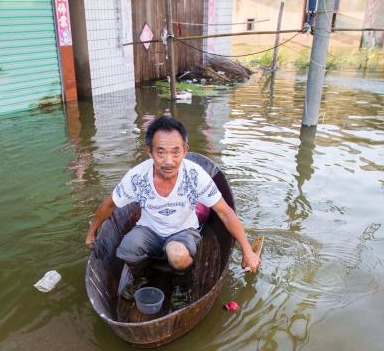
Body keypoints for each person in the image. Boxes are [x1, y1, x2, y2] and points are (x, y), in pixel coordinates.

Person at [85, 116, 261, 310]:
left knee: (176, 254)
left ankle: (183, 284)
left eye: (176, 152)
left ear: (185, 150)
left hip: (184, 232)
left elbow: (226, 213)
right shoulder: (137, 177)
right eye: (160, 152)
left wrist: (247, 250)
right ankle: (141, 277)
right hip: (149, 230)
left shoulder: (195, 175)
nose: (168, 161)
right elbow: (109, 205)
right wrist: (91, 233)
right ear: (149, 152)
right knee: (126, 248)